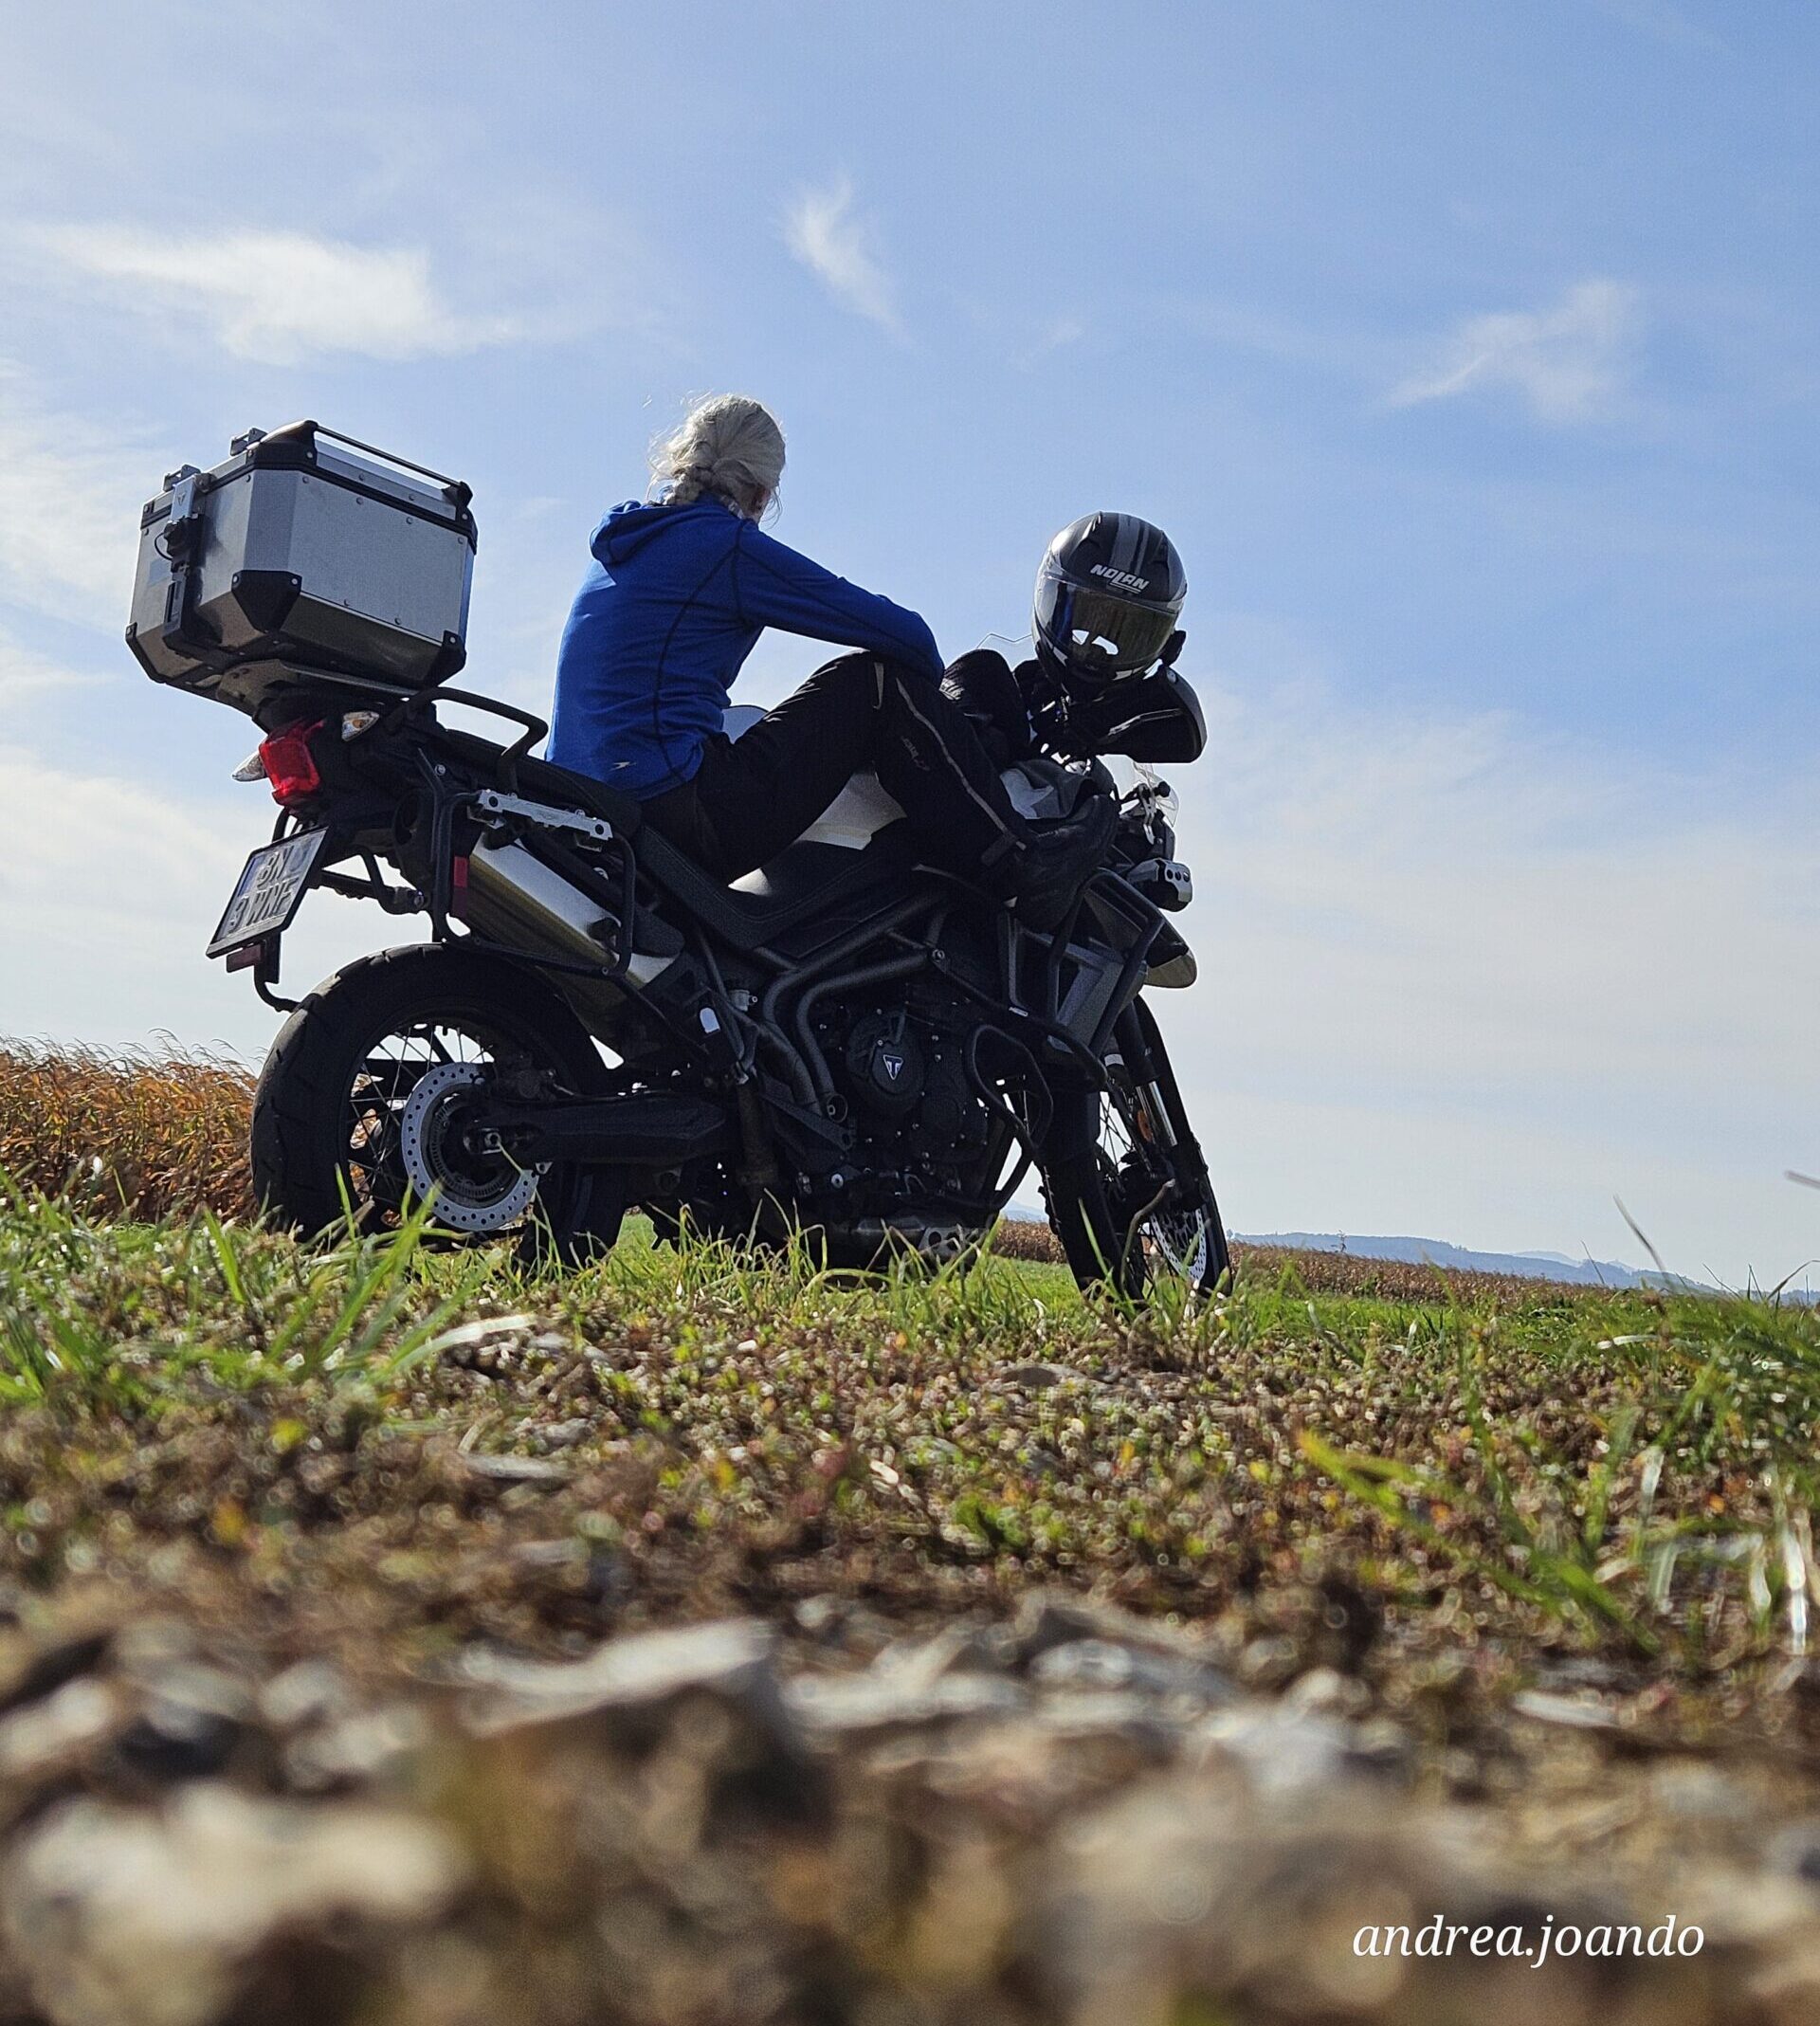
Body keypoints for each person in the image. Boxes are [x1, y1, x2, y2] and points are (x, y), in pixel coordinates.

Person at [549, 394, 1114, 922]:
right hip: (676, 812)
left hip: (580, 808)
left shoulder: (626, 543)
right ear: (762, 495)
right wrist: (944, 721)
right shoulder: (725, 547)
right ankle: (1020, 865)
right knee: (873, 683)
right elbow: (905, 636)